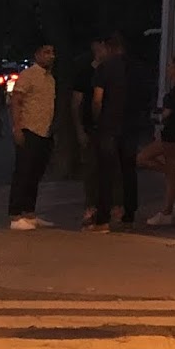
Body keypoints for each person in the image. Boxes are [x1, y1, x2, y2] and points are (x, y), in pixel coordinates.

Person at [89, 32, 137, 231]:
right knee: (129, 171)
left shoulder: (105, 68)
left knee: (106, 172)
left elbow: (98, 98)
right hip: (131, 124)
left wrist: (96, 118)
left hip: (109, 124)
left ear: (109, 48)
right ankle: (129, 216)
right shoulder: (136, 68)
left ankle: (103, 219)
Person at [138, 53, 175, 227]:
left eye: (170, 66)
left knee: (144, 158)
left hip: (171, 136)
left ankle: (167, 211)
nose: (168, 69)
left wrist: (156, 116)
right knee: (171, 171)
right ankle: (170, 203)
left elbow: (166, 116)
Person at [8, 44, 58, 230]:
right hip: (29, 128)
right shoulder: (28, 75)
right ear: (37, 54)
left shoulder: (50, 78)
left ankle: (29, 212)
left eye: (52, 53)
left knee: (36, 173)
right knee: (23, 172)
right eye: (46, 52)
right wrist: (17, 127)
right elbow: (16, 101)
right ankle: (15, 214)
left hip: (44, 130)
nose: (51, 56)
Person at [74, 44, 101, 227]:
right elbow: (76, 102)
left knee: (104, 169)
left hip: (104, 129)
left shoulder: (110, 71)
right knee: (91, 170)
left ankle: (102, 208)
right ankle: (91, 207)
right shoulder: (85, 73)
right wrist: (80, 129)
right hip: (91, 127)